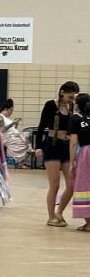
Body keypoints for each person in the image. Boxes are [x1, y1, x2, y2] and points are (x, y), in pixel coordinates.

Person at [36, 81, 80, 227]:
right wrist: (38, 147)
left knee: (72, 184)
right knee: (54, 184)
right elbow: (41, 126)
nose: (72, 100)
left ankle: (59, 211)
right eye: (70, 96)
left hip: (66, 148)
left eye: (74, 97)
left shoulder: (73, 108)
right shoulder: (50, 105)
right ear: (62, 92)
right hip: (52, 145)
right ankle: (51, 216)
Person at [70, 93, 90, 231]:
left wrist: (72, 162)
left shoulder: (75, 118)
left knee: (83, 185)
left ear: (77, 105)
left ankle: (89, 222)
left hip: (86, 153)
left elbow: (73, 143)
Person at [0, 99, 33, 166]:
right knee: (22, 142)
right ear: (6, 109)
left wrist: (16, 125)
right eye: (11, 110)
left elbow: (11, 130)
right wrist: (13, 123)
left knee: (27, 135)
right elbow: (2, 129)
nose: (11, 112)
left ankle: (23, 156)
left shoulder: (8, 118)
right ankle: (15, 161)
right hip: (4, 137)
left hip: (12, 135)